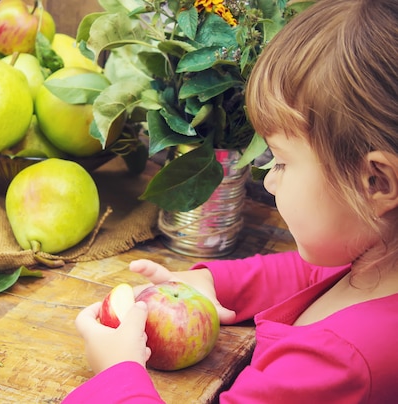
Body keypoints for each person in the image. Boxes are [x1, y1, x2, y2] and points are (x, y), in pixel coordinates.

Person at [62, 0, 398, 402]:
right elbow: (315, 277)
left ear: (375, 182)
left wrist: (116, 375)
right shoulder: (378, 262)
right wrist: (212, 283)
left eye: (282, 161)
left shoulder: (333, 363)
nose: (270, 181)